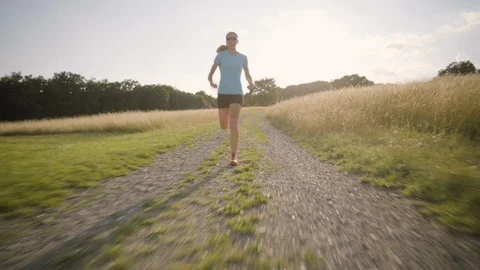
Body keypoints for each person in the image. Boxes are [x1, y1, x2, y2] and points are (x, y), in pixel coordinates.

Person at [208, 31, 255, 166]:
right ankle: (226, 119)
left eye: (233, 38)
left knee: (233, 125)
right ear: (226, 41)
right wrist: (211, 82)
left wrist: (251, 82)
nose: (231, 40)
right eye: (229, 39)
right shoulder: (220, 56)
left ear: (237, 41)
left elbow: (247, 74)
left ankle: (233, 157)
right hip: (223, 93)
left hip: (236, 93)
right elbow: (210, 73)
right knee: (224, 126)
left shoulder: (243, 57)